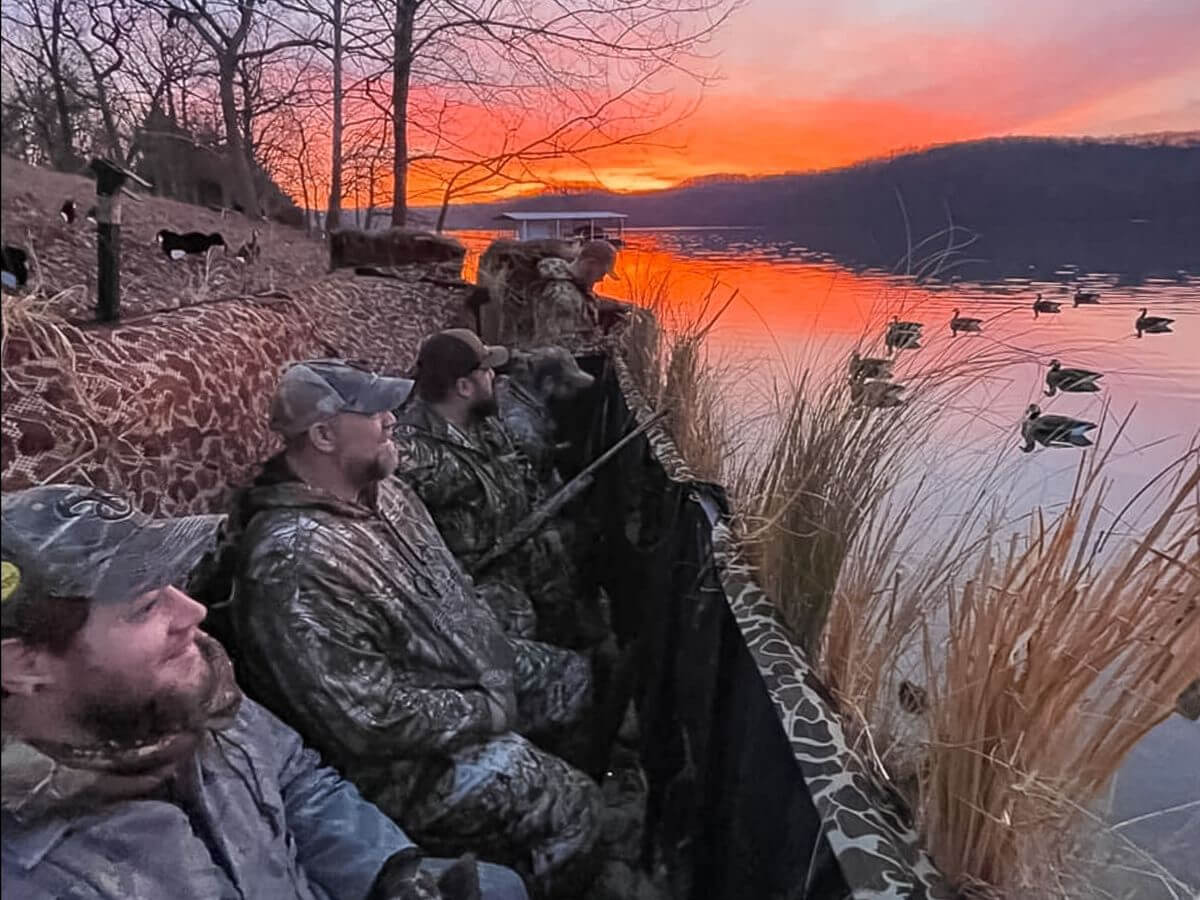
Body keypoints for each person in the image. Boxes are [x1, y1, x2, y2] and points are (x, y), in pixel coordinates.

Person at [0, 483, 527, 900]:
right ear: (23, 664)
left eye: (173, 587)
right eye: (144, 607)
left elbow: (297, 779)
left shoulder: (182, 693)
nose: (194, 612)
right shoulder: (31, 873)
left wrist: (388, 871)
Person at [228, 359, 600, 898]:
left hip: (466, 679)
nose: (392, 418)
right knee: (578, 810)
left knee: (574, 681)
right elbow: (367, 720)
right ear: (324, 435)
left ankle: (511, 821)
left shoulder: (387, 491)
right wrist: (488, 710)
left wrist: (494, 666)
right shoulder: (294, 561)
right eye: (374, 410)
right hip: (399, 766)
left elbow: (453, 587)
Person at [395, 331, 605, 651]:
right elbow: (410, 550)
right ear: (464, 387)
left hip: (525, 554)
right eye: (486, 370)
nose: (495, 376)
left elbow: (520, 476)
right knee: (519, 626)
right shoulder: (410, 455)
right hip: (479, 584)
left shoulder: (485, 422)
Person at [530, 240, 628, 344]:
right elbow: (567, 349)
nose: (601, 279)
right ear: (591, 264)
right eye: (602, 273)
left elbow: (591, 301)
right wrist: (608, 343)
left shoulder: (575, 286)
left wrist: (619, 305)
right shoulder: (562, 297)